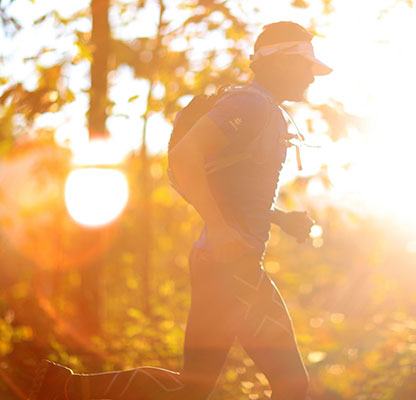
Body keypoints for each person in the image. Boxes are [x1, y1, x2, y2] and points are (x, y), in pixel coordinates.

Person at [28, 21, 331, 400]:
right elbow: (185, 156)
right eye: (305, 67)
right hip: (231, 268)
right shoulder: (249, 105)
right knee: (292, 385)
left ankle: (63, 389)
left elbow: (232, 190)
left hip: (219, 264)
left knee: (190, 388)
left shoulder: (261, 109)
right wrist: (220, 230)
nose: (312, 78)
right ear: (282, 63)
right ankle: (64, 390)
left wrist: (279, 218)